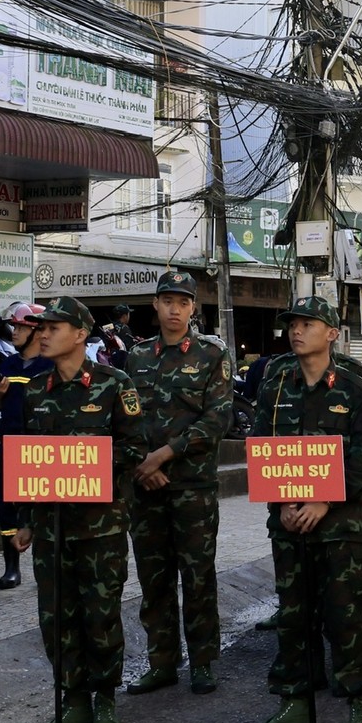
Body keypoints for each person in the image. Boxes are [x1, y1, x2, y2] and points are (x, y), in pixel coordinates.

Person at [244, 298, 362, 723]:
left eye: (308, 324)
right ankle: (295, 702)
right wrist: (281, 498)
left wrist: (324, 500)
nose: (296, 331)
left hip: (339, 524)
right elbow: (260, 445)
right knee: (294, 614)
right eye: (293, 324)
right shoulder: (275, 384)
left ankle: (358, 701)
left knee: (347, 614)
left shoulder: (354, 386)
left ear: (332, 333)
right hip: (287, 523)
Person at [13, 297, 147, 723]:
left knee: (100, 613)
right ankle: (72, 701)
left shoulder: (114, 383)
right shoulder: (35, 389)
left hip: (100, 525)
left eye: (54, 327)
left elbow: (133, 449)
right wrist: (26, 519)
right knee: (55, 616)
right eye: (41, 328)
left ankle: (105, 699)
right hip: (51, 525)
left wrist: (84, 466)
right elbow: (27, 460)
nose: (44, 334)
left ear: (80, 334)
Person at [125, 271, 234, 698]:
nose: (174, 309)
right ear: (155, 305)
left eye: (183, 302)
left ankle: (203, 662)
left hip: (192, 486)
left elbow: (217, 418)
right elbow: (127, 418)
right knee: (154, 579)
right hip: (146, 486)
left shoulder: (211, 355)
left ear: (193, 308)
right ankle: (161, 662)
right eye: (167, 300)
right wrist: (143, 464)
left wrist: (165, 454)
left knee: (198, 576)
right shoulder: (136, 357)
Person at [0, 302, 50, 591]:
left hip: (41, 447)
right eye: (14, 327)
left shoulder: (51, 365)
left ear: (37, 331)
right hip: (11, 443)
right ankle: (11, 568)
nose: (14, 332)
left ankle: (47, 566)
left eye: (20, 327)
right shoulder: (9, 364)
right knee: (6, 503)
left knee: (42, 505)